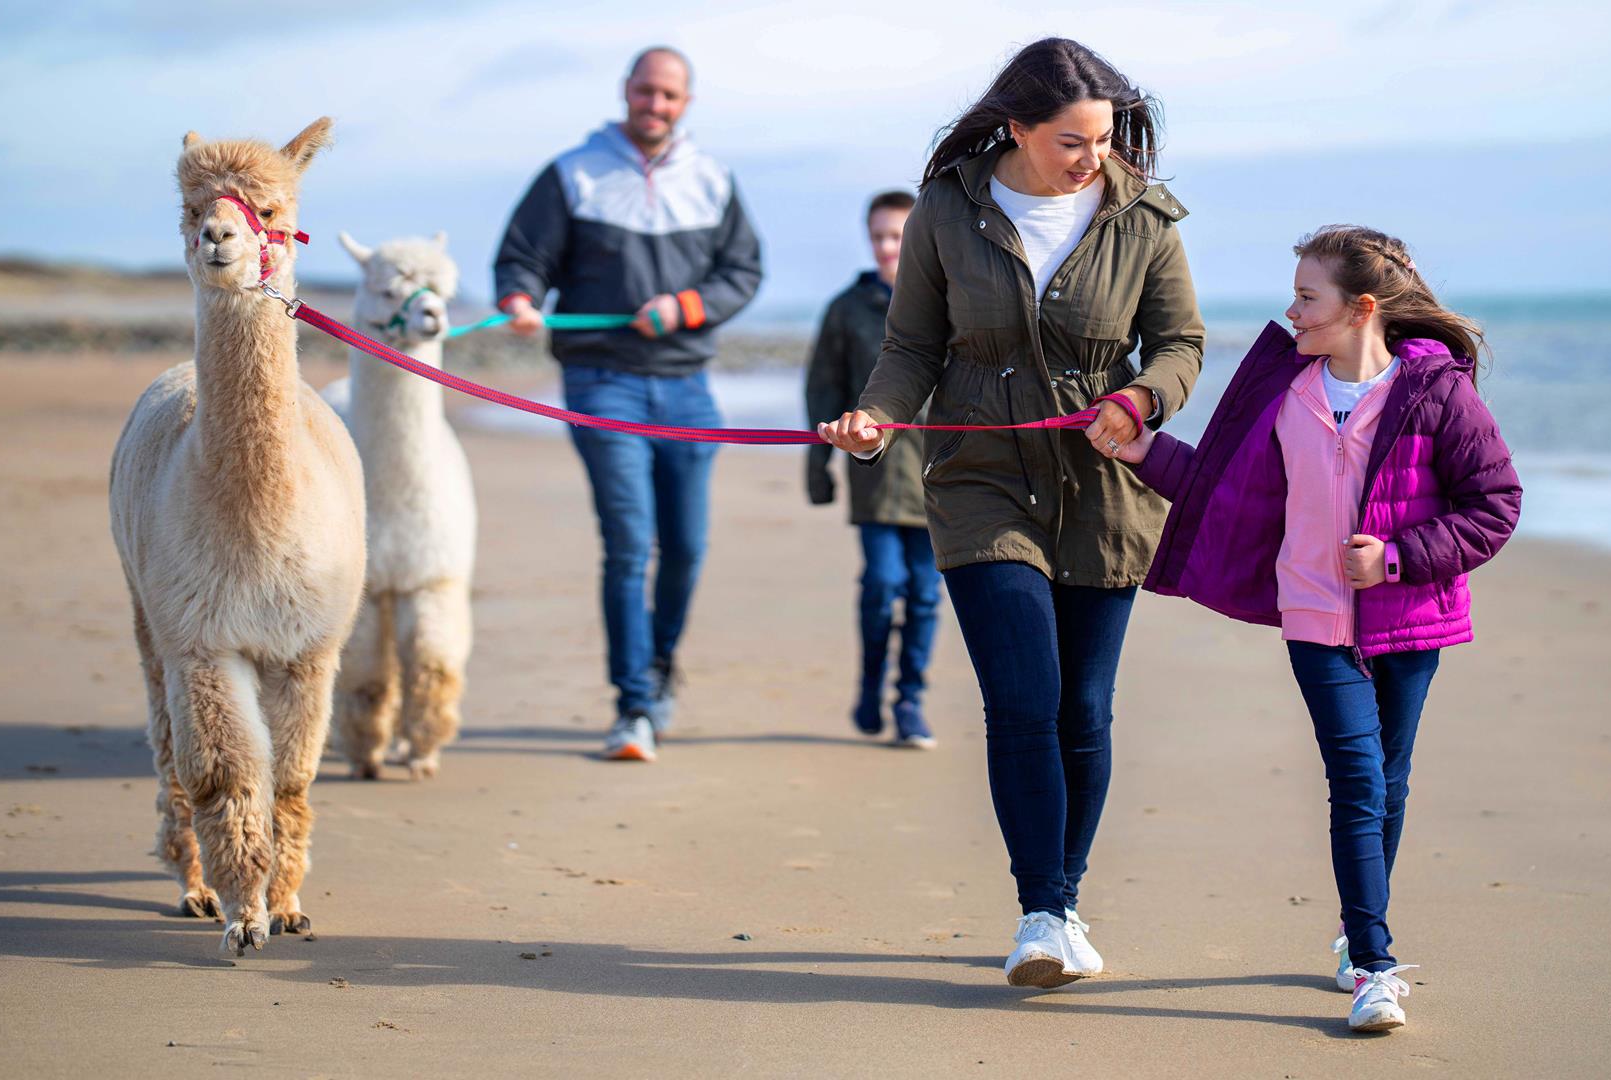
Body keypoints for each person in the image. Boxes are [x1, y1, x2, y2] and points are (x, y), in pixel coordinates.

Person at [818, 38, 1205, 988]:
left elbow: (1182, 345)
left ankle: (1066, 896)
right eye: (1073, 141)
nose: (1094, 159)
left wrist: (1143, 399)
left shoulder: (1145, 216)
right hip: (980, 479)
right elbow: (912, 345)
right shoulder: (948, 209)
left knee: (1084, 707)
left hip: (1104, 488)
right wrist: (877, 419)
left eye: (1105, 139)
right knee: (1024, 700)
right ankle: (1042, 912)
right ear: (1019, 128)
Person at [1117, 225, 1523, 1031]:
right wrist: (1141, 450)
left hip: (1409, 620)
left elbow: (1496, 505)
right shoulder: (1283, 389)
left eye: (1308, 298)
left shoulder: (1437, 392)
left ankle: (1351, 929)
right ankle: (1375, 965)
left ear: (1361, 308)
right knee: (1358, 780)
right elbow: (1218, 488)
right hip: (1312, 617)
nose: (1292, 311)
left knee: (1389, 779)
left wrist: (1400, 558)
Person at [494, 46, 763, 763]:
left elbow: (743, 271)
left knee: (687, 547)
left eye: (670, 95)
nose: (656, 105)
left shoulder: (713, 179)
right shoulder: (573, 173)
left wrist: (686, 307)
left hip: (688, 386)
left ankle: (660, 667)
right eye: (646, 92)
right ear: (626, 93)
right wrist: (519, 299)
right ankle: (634, 707)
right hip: (601, 381)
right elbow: (522, 256)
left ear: (686, 103)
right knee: (628, 543)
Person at [804, 190, 940, 749]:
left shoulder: (948, 298)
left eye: (899, 236)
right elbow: (822, 390)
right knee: (884, 583)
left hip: (943, 477)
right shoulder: (846, 308)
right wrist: (819, 467)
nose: (888, 247)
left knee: (927, 594)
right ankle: (869, 685)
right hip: (875, 473)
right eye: (880, 236)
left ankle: (909, 700)